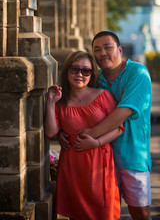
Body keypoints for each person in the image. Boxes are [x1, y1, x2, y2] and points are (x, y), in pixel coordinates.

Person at [59, 31, 152, 220]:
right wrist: (63, 131)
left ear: (119, 49)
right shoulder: (95, 78)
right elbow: (79, 108)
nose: (103, 53)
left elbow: (124, 112)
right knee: (104, 212)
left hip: (132, 155)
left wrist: (91, 135)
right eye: (97, 50)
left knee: (139, 212)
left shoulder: (137, 73)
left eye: (108, 47)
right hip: (100, 159)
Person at [45, 51, 124, 220]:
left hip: (99, 164)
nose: (79, 74)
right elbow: (51, 132)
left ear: (91, 74)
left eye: (85, 71)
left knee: (103, 212)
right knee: (77, 213)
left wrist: (96, 143)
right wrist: (51, 102)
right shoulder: (61, 102)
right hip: (72, 166)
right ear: (67, 71)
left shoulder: (103, 96)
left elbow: (119, 128)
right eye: (74, 69)